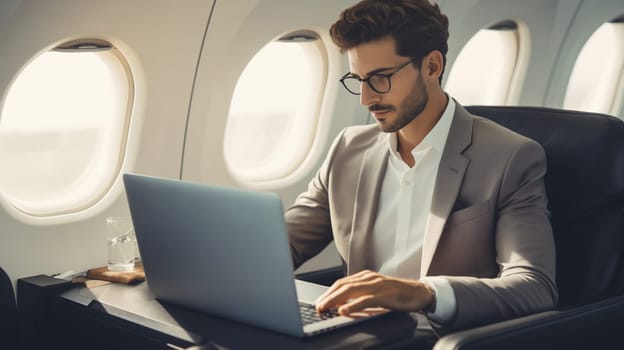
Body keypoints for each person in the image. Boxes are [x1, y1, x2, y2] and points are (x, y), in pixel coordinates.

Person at [285, 0, 557, 334]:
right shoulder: (348, 149)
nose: (366, 98)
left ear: (431, 66)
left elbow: (535, 287)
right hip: (358, 335)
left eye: (380, 78)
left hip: (442, 338)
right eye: (359, 79)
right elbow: (286, 242)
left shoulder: (510, 158)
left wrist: (423, 293)